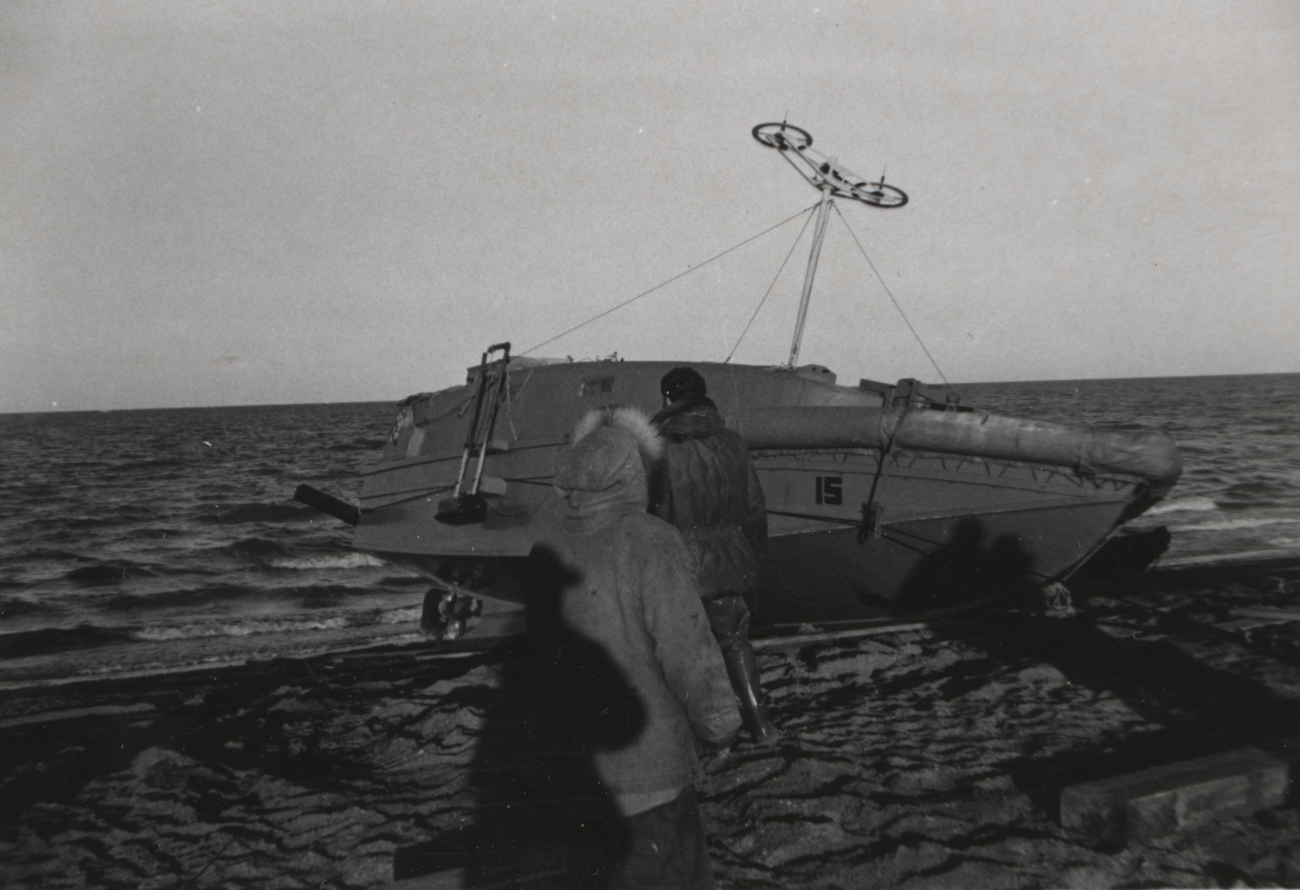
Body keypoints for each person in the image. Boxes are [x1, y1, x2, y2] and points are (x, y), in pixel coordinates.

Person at [528, 409, 742, 889]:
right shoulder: (651, 541)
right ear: (634, 473)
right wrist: (720, 728)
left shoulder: (545, 538)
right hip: (649, 775)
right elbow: (690, 653)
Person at [648, 367, 779, 745]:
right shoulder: (734, 442)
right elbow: (755, 508)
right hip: (730, 557)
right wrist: (752, 558)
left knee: (679, 652)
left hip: (683, 563)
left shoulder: (661, 447)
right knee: (735, 642)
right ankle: (761, 724)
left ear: (667, 399)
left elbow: (658, 516)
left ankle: (699, 738)